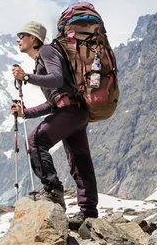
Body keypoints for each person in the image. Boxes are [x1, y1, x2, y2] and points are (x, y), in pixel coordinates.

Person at [10, 21, 99, 226]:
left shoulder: (47, 51)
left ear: (33, 38)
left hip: (69, 112)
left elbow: (57, 80)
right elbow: (54, 102)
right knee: (80, 163)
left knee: (35, 140)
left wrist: (27, 77)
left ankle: (52, 190)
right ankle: (89, 215)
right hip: (75, 113)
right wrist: (26, 113)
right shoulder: (44, 58)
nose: (18, 39)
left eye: (21, 35)